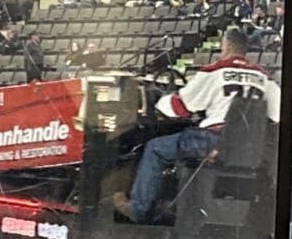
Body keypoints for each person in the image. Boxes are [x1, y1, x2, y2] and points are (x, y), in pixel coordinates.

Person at [113, 29, 280, 224]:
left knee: (155, 148)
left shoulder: (215, 71)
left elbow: (180, 107)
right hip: (249, 147)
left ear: (225, 46)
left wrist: (159, 101)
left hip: (212, 142)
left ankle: (139, 209)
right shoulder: (263, 78)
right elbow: (284, 113)